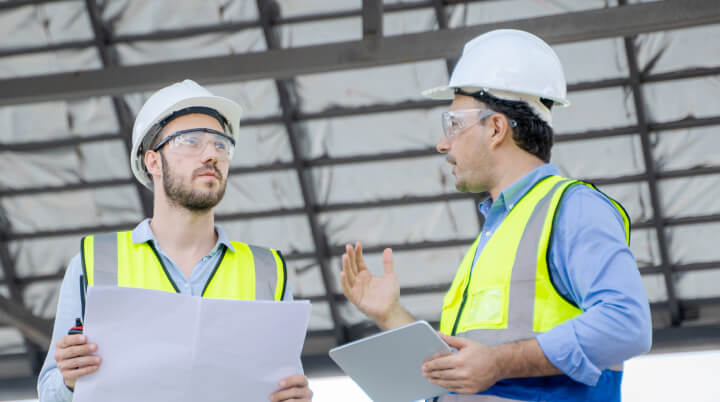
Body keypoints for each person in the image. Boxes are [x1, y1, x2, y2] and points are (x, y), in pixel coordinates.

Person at [340, 29, 652, 401]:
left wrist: (500, 363)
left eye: (453, 125)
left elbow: (627, 324)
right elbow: (465, 370)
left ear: (496, 128)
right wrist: (390, 314)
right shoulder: (499, 233)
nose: (443, 143)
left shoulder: (571, 207)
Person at [37, 79, 312, 402]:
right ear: (153, 161)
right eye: (191, 141)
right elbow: (50, 394)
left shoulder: (268, 272)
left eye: (221, 145)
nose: (211, 154)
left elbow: (287, 384)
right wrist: (68, 381)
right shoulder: (94, 261)